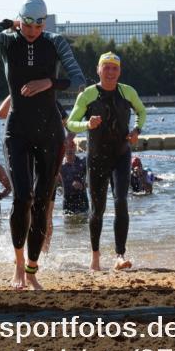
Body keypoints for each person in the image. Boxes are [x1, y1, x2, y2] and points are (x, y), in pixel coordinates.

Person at [0, 0, 86, 290]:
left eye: (37, 25)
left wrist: (48, 82)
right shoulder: (8, 41)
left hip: (50, 132)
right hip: (17, 131)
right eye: (26, 24)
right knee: (22, 198)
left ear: (44, 22)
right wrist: (5, 24)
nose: (32, 31)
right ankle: (18, 267)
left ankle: (33, 269)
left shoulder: (55, 42)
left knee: (41, 203)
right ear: (20, 20)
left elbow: (78, 80)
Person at [66, 52, 147, 272]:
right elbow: (71, 124)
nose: (110, 72)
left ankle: (120, 255)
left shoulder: (127, 91)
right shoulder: (88, 95)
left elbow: (141, 111)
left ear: (119, 71)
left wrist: (137, 130)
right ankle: (95, 257)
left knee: (121, 200)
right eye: (106, 68)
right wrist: (87, 125)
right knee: (97, 208)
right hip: (97, 158)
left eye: (114, 68)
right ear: (98, 70)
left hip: (121, 155)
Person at [58, 135, 89, 216]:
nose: (69, 149)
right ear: (64, 150)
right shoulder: (60, 167)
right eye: (67, 147)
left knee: (83, 226)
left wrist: (84, 184)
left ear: (75, 148)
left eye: (71, 147)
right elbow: (56, 185)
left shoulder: (83, 163)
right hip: (67, 204)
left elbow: (94, 176)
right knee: (68, 227)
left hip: (82, 202)